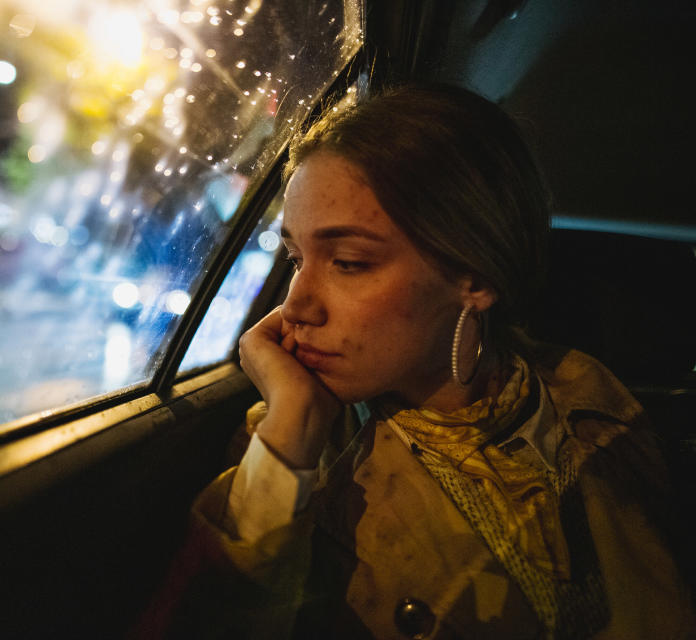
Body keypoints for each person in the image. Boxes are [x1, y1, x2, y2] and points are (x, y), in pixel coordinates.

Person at [142, 84, 694, 639]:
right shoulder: (292, 452)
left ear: (473, 277)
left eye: (350, 262)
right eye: (294, 257)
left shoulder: (585, 391)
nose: (295, 305)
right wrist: (293, 424)